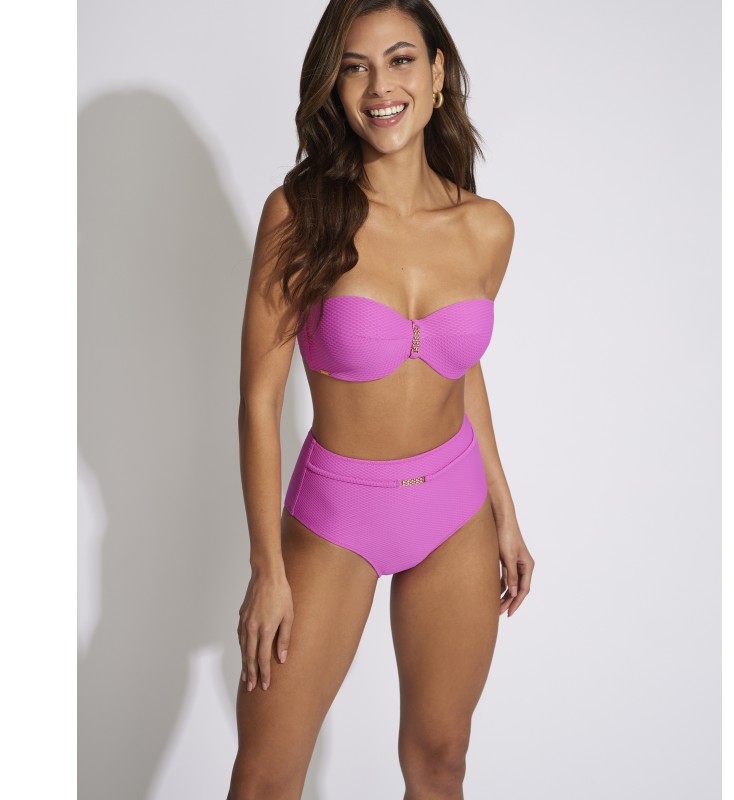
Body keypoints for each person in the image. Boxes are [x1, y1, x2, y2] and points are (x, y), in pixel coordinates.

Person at [227, 1, 534, 797]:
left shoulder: (486, 228)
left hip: (455, 511)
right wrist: (267, 568)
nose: (379, 87)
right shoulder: (301, 216)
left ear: (437, 74)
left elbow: (457, 369)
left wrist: (503, 509)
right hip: (337, 517)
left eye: (400, 60)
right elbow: (259, 402)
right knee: (265, 780)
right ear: (333, 87)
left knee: (440, 763)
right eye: (355, 67)